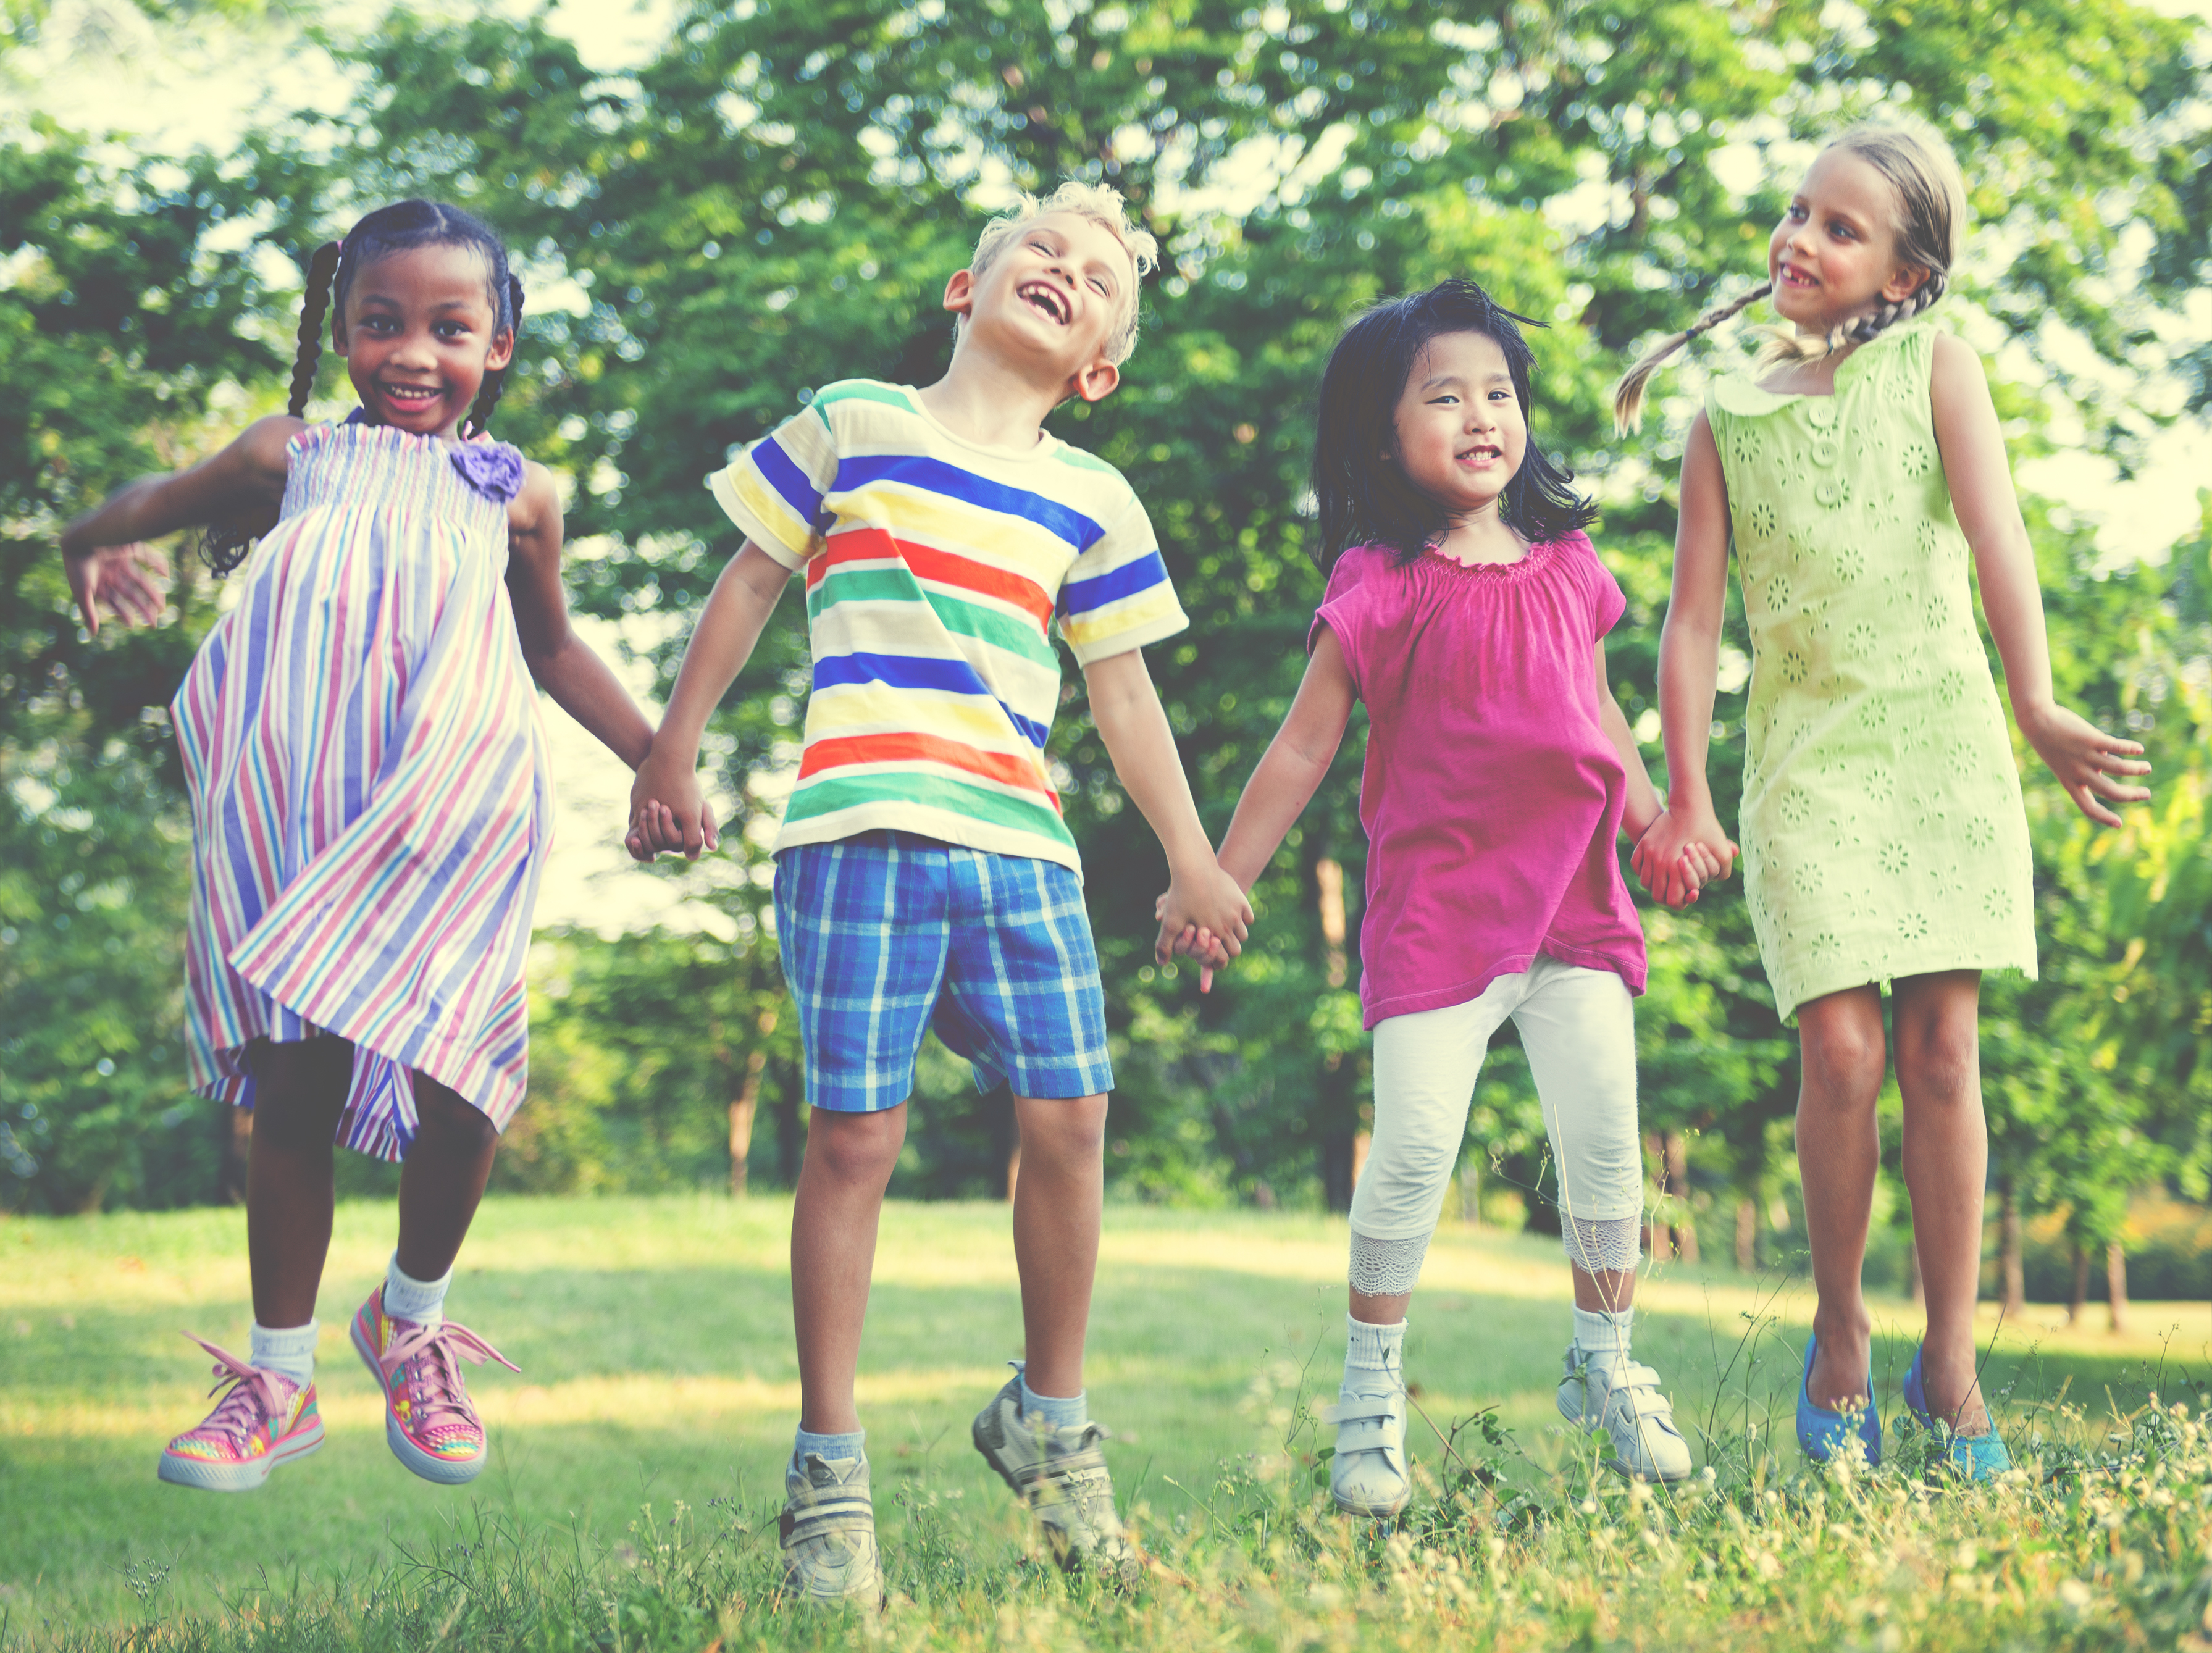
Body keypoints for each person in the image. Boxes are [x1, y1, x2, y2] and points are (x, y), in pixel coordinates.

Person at [626, 180, 1252, 1602]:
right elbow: (745, 585)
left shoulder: (1093, 496)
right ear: (966, 290)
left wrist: (1193, 856)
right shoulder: (854, 423)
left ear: (1100, 367)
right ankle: (829, 1476)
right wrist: (671, 745)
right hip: (856, 829)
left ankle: (1050, 1423)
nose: (1062, 265)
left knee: (1072, 1115)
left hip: (1021, 846)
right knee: (856, 1140)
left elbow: (1124, 689)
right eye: (1039, 245)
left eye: (1095, 274)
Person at [59, 200, 664, 1494]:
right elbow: (149, 502)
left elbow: (553, 649)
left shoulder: (520, 496)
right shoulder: (291, 455)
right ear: (339, 329)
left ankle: (411, 1314)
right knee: (299, 1081)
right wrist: (89, 540)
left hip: (457, 811)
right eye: (380, 322)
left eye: (449, 328)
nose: (411, 352)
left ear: (497, 344)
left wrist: (660, 757)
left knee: (468, 1079)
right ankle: (276, 1376)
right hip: (298, 812)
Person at [1621, 121, 2151, 1479]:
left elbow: (1998, 541)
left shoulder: (1938, 368)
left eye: (1840, 227)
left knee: (1942, 1055)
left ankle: (1953, 1359)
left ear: (1906, 270)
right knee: (1843, 1054)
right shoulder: (1724, 418)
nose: (1801, 238)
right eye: (1798, 211)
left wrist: (2038, 706)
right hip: (1806, 762)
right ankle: (1843, 1329)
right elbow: (1690, 627)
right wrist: (1684, 792)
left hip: (1942, 742)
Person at [1177, 278, 1704, 1517]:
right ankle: (1369, 1395)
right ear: (1382, 439)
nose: (1482, 416)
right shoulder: (1377, 586)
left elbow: (1601, 725)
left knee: (1605, 1155)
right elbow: (1302, 753)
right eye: (1445, 397)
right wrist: (1218, 879)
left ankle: (1607, 1365)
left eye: (1499, 393)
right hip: (1437, 918)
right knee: (1415, 1149)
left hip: (1575, 914)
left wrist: (1660, 821)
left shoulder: (1573, 570)